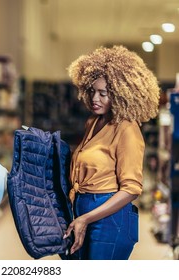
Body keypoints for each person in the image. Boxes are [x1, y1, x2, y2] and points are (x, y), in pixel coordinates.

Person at [63, 45, 160, 260]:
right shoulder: (93, 122)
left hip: (110, 219)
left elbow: (132, 189)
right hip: (82, 210)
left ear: (121, 94)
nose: (95, 98)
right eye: (92, 91)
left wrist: (87, 218)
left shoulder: (127, 128)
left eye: (103, 93)